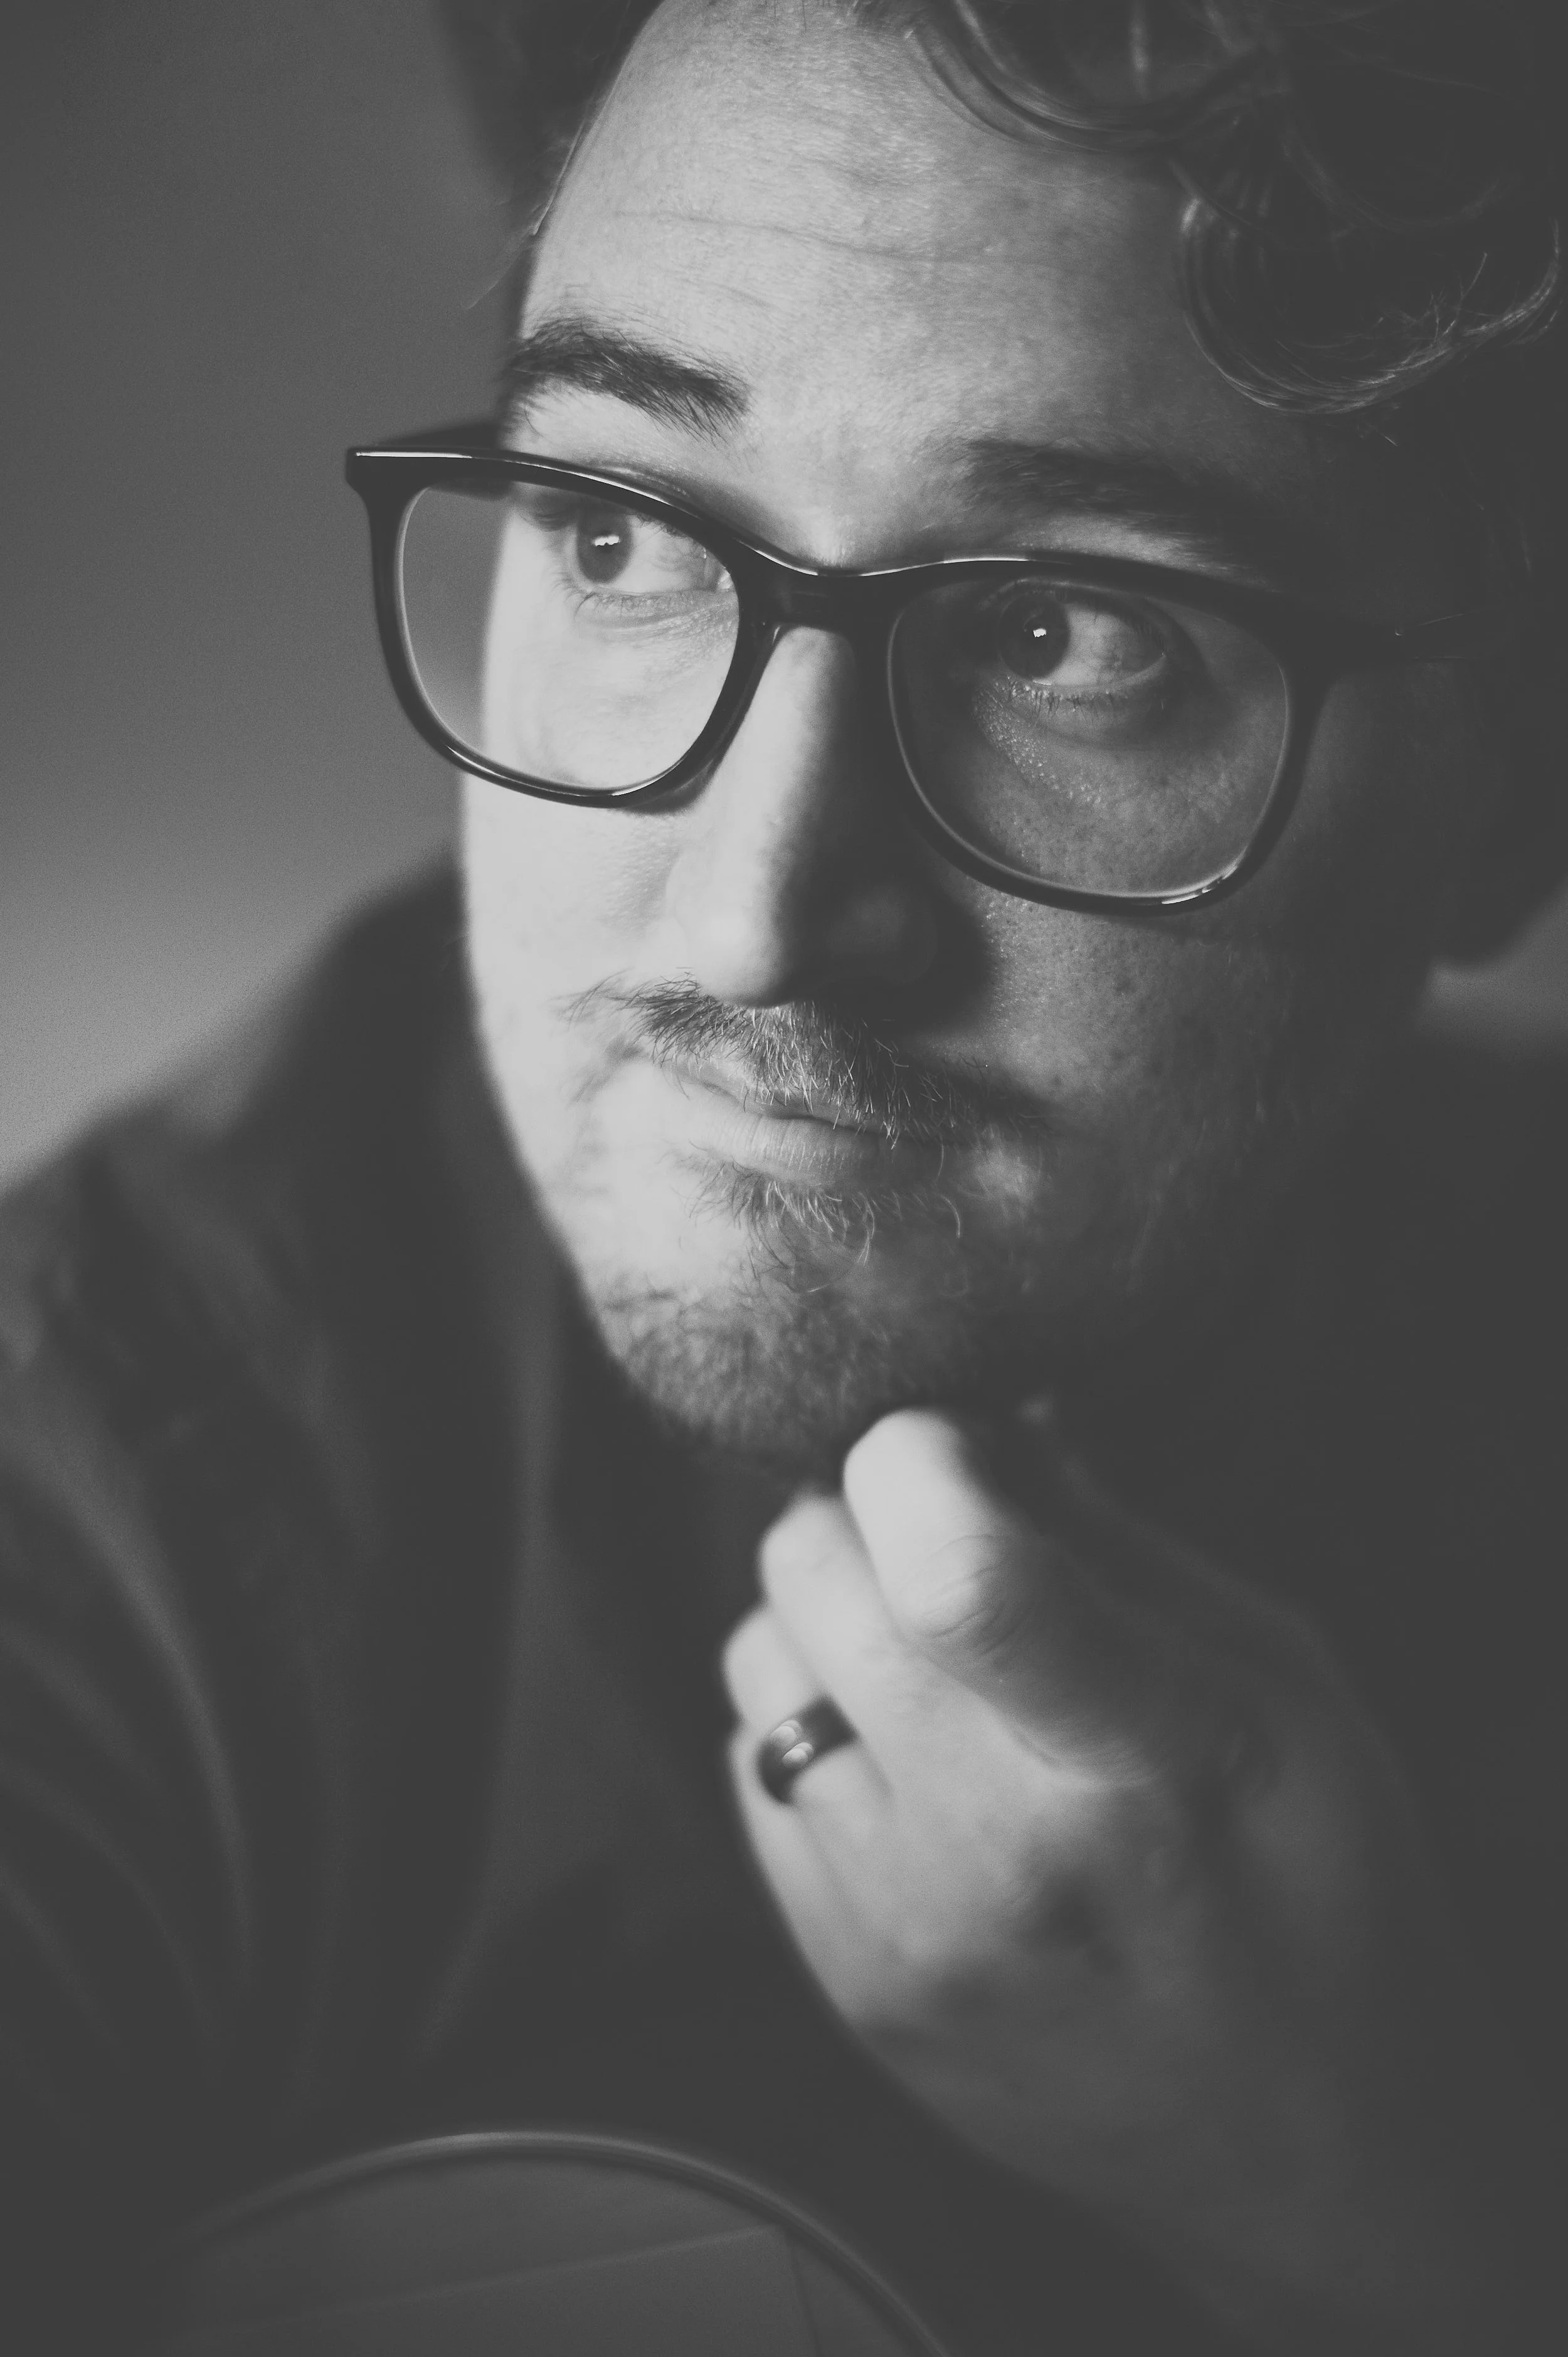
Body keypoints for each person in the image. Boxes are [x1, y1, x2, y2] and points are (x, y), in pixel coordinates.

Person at [3, 0, 1564, 2347]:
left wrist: (1370, 2212)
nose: (748, 916)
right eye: (621, 528)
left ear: (1512, 797)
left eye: (1071, 632)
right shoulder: (95, 1529)